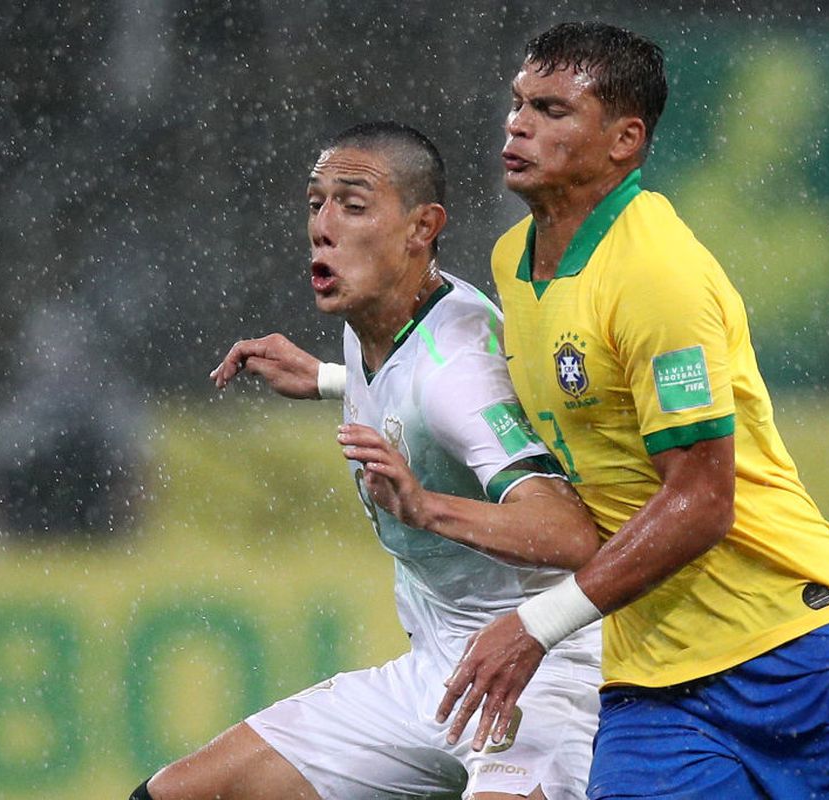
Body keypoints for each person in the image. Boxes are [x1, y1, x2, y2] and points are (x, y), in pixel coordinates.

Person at [427, 21, 829, 800]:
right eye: (517, 104)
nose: (519, 123)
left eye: (552, 109)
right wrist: (345, 380)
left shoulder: (654, 273)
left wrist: (537, 625)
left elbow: (703, 501)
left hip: (792, 635)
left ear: (624, 140)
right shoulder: (514, 261)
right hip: (657, 680)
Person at [128, 121, 603, 800]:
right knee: (176, 795)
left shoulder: (458, 370)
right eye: (316, 202)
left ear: (421, 227)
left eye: (353, 205)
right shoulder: (383, 320)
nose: (324, 226)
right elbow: (408, 386)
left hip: (536, 678)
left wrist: (427, 508)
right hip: (432, 678)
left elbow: (570, 534)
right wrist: (330, 379)